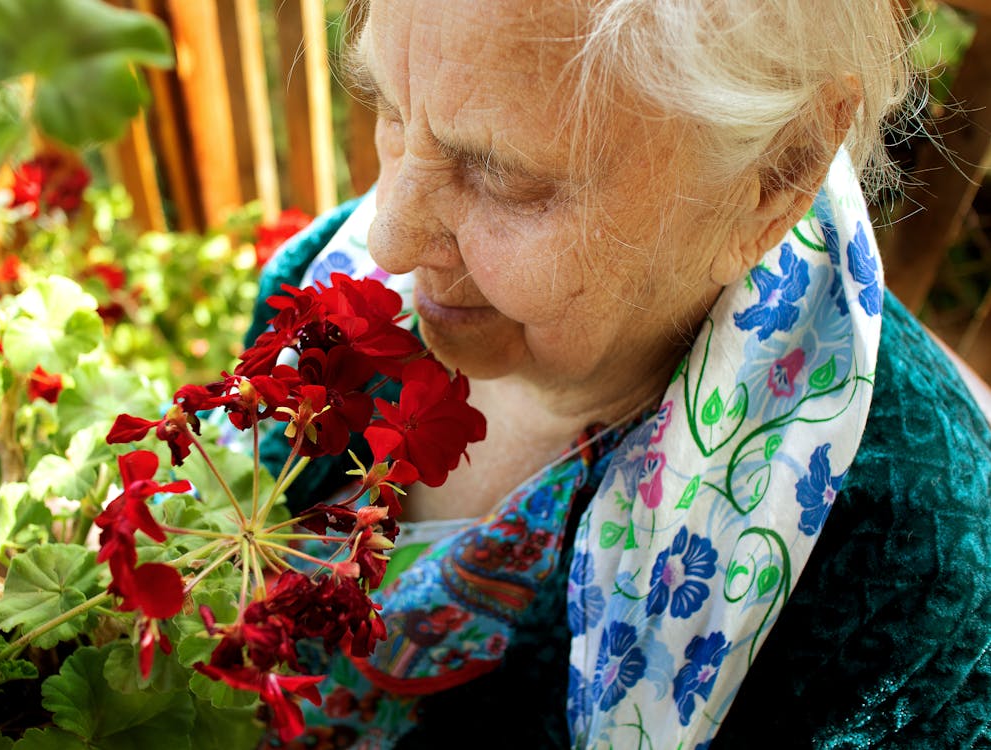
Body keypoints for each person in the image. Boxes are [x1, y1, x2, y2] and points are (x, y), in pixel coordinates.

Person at [243, 0, 991, 747]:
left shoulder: (905, 585)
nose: (389, 240)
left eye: (503, 175)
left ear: (774, 176)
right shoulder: (325, 291)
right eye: (392, 109)